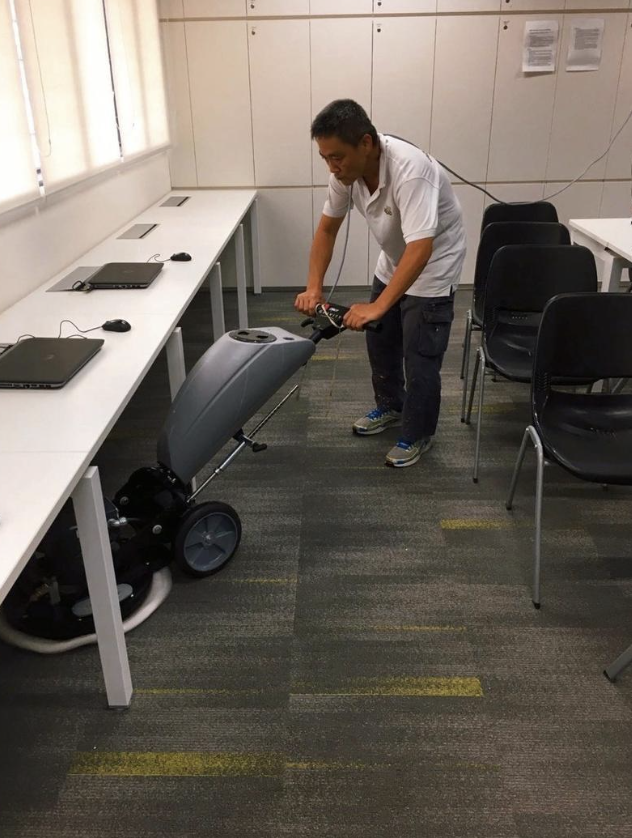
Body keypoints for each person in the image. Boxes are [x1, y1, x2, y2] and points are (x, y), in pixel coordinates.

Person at [295, 99, 467, 468]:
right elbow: (327, 229)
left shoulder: (411, 171)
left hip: (434, 264)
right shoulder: (344, 175)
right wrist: (314, 287)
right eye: (325, 157)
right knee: (381, 340)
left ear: (367, 143)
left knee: (420, 355)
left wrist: (378, 304)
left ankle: (418, 433)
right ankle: (390, 407)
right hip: (394, 260)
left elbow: (422, 247)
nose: (331, 166)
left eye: (337, 156)